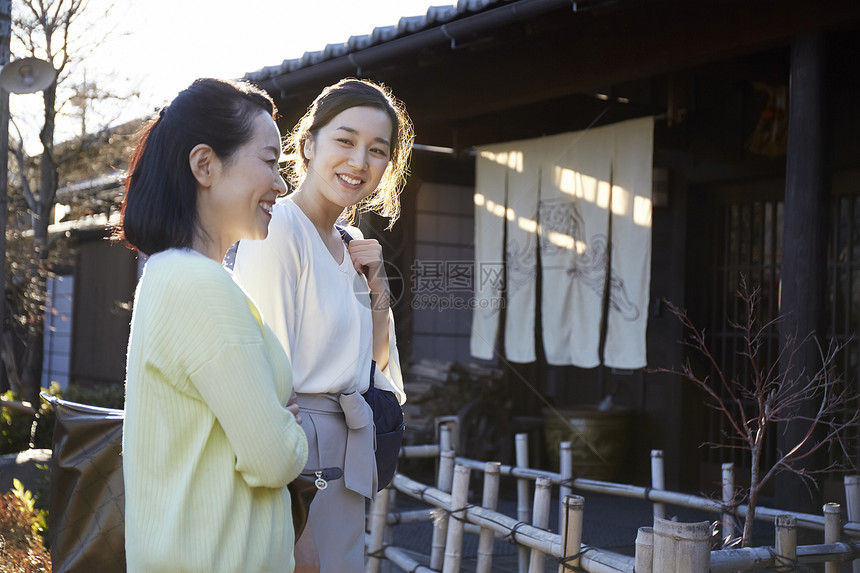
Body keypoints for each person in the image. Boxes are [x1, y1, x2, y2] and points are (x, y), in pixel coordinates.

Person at [116, 78, 308, 573]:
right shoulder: (199, 283)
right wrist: (293, 424)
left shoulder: (173, 273)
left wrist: (276, 413)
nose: (281, 184)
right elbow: (272, 458)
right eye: (269, 161)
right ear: (205, 165)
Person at [232, 78, 413, 570]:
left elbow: (377, 362)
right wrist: (297, 531)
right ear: (309, 144)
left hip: (349, 448)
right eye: (346, 140)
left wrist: (378, 287)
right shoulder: (278, 229)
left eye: (377, 150)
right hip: (298, 453)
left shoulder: (351, 239)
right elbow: (265, 379)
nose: (360, 162)